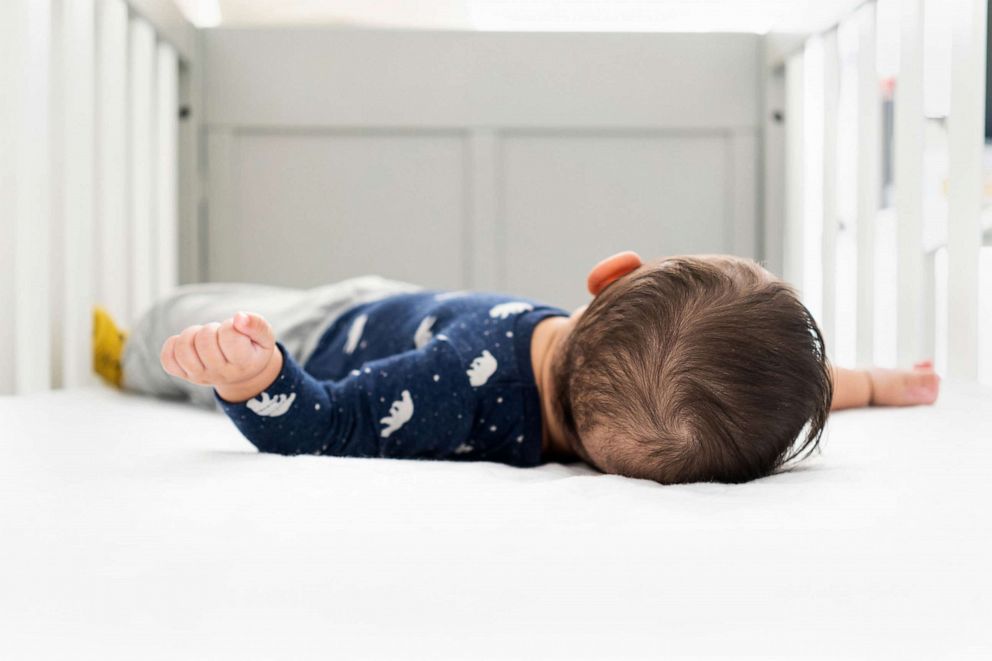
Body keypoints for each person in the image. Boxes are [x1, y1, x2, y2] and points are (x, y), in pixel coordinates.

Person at [93, 252, 940, 484]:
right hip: (406, 306)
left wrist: (251, 376)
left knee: (187, 318)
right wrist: (878, 384)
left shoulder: (450, 389)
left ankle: (124, 352)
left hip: (323, 336)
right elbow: (774, 390)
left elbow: (324, 421)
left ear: (607, 277)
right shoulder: (644, 415)